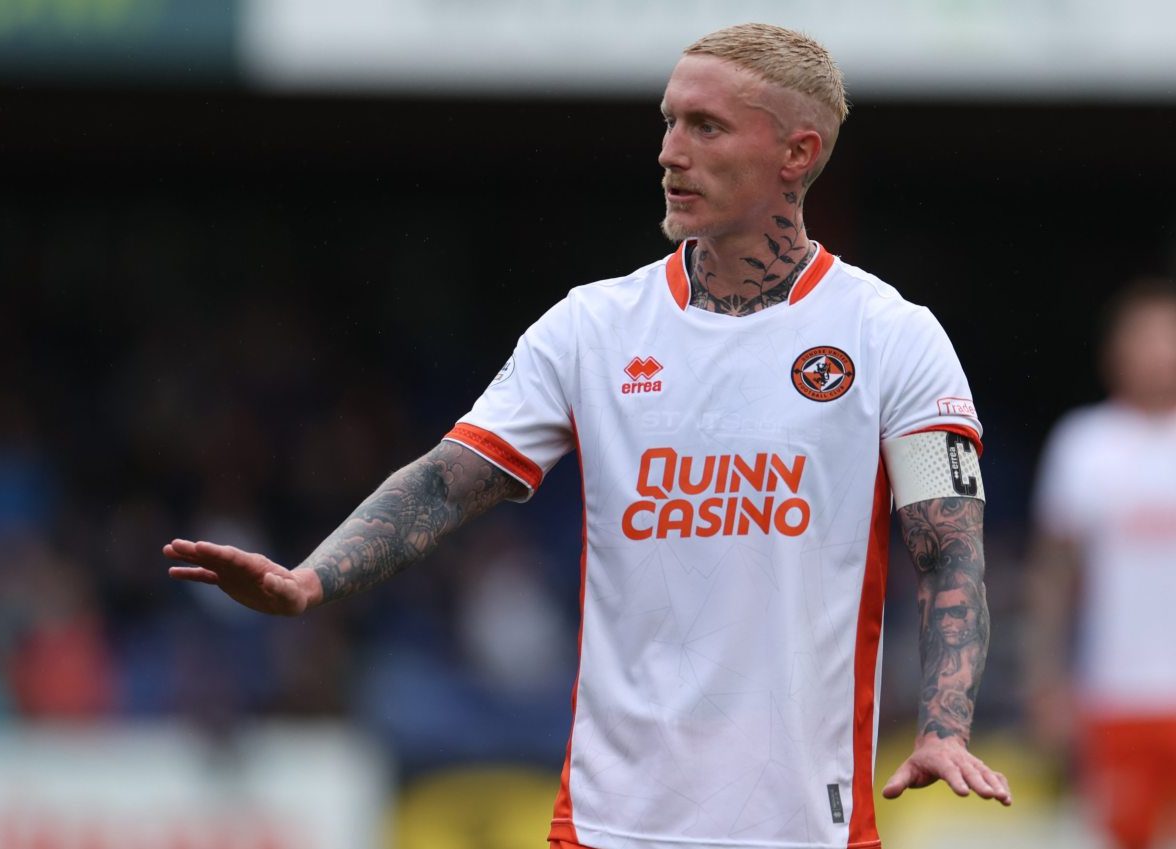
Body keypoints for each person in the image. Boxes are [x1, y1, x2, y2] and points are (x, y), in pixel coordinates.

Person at [164, 23, 1011, 849]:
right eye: (668, 121)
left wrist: (944, 726)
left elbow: (949, 547)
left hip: (801, 822)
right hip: (609, 821)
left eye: (705, 126)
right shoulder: (591, 327)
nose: (669, 152)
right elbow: (447, 479)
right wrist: (311, 580)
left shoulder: (892, 335)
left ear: (797, 154)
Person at [1028, 279, 1176, 849]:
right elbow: (1053, 577)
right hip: (1115, 693)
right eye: (1145, 338)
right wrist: (1047, 684)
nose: (1158, 353)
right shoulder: (1085, 444)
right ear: (1116, 351)